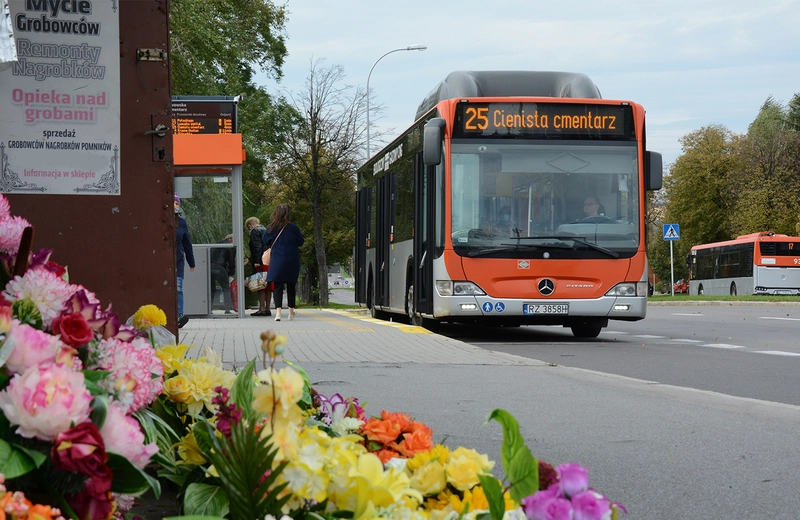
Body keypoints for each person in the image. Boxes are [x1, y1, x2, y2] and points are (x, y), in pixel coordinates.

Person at [264, 204, 305, 321]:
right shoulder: (294, 228)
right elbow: (301, 242)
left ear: (276, 213)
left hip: (277, 259)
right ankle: (291, 312)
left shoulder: (271, 228)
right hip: (292, 259)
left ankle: (278, 312)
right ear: (288, 214)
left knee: (278, 286)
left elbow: (265, 240)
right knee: (291, 285)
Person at [246, 216, 273, 316]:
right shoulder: (266, 230)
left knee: (260, 284)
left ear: (251, 224)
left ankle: (261, 309)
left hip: (260, 262)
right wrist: (249, 259)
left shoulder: (255, 231)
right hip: (268, 260)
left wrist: (256, 261)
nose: (248, 228)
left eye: (248, 226)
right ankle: (267, 308)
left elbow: (257, 247)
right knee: (268, 285)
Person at [175, 194, 195, 328]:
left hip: (178, 260)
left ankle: (179, 317)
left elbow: (187, 243)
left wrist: (191, 262)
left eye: (176, 203)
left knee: (178, 288)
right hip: (163, 262)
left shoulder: (181, 222)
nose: (175, 206)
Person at [210, 234, 235, 314]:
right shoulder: (231, 246)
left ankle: (209, 309)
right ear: (230, 239)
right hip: (220, 268)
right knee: (226, 288)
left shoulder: (216, 244)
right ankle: (227, 310)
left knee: (211, 289)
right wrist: (231, 272)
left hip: (209, 267)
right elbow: (231, 261)